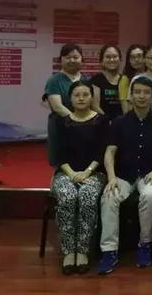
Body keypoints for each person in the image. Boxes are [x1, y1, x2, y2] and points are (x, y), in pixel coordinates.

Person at [97, 76, 152, 275]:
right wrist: (111, 178)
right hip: (123, 175)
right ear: (131, 95)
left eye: (146, 92)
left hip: (149, 174)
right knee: (109, 197)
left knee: (150, 196)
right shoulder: (119, 122)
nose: (141, 96)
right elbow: (110, 152)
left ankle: (145, 245)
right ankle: (109, 251)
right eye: (137, 92)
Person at [51, 81, 107, 275]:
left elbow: (102, 152)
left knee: (87, 196)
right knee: (67, 196)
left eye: (85, 95)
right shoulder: (62, 122)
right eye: (77, 95)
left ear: (92, 97)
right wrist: (72, 174)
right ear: (70, 98)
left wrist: (87, 172)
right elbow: (58, 154)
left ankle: (83, 250)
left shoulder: (101, 121)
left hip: (94, 172)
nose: (81, 98)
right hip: (66, 173)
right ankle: (68, 251)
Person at [44, 43, 88, 166]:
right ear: (61, 59)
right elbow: (57, 107)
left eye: (75, 57)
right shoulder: (54, 80)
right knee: (61, 165)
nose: (72, 60)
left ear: (82, 59)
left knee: (82, 161)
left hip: (84, 128)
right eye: (68, 57)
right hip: (61, 127)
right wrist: (78, 121)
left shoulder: (86, 79)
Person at [90, 45, 123, 120]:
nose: (112, 59)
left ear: (120, 59)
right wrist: (107, 121)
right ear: (102, 61)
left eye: (115, 56)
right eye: (108, 57)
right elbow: (95, 106)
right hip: (102, 122)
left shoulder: (125, 79)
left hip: (122, 123)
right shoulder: (96, 80)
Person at [119, 44, 146, 114]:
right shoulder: (125, 79)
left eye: (139, 56)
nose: (136, 60)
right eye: (132, 57)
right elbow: (125, 109)